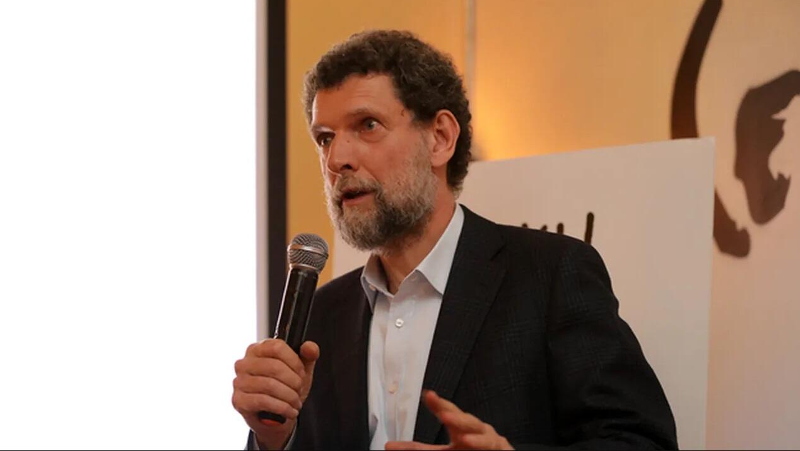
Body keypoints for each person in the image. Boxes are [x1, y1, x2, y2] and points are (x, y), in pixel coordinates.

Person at [232, 29, 678, 450]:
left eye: (367, 125)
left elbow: (642, 442)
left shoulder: (550, 276)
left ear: (440, 139)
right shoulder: (322, 314)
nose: (337, 159)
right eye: (325, 138)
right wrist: (276, 438)